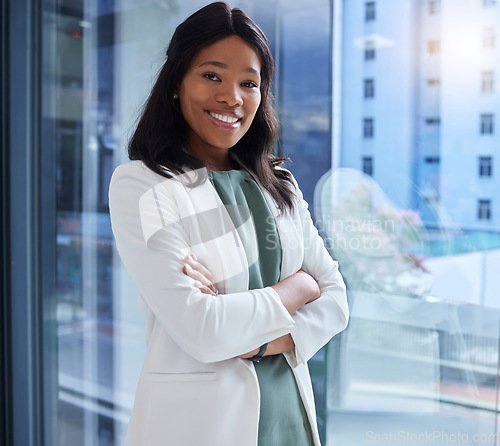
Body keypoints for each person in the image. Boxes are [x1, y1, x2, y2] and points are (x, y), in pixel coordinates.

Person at [108, 2, 348, 445]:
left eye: (249, 83)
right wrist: (297, 289)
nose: (232, 98)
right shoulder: (142, 186)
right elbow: (203, 330)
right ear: (177, 82)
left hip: (289, 419)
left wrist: (253, 342)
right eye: (212, 76)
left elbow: (335, 300)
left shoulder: (280, 183)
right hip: (202, 426)